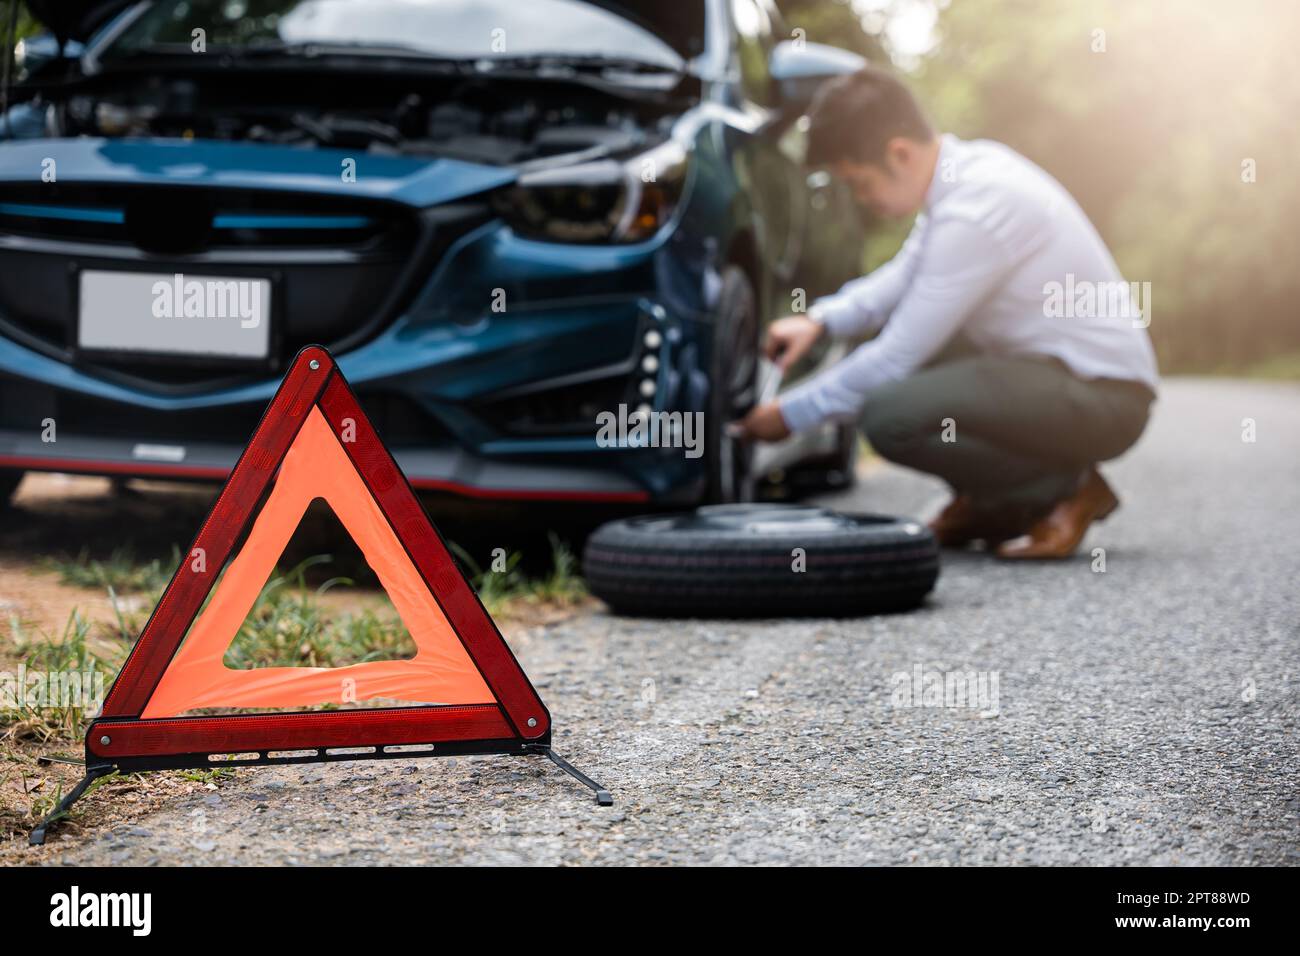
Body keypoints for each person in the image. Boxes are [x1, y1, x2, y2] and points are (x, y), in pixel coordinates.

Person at [733, 66, 1158, 559]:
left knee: (889, 416)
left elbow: (897, 357)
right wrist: (819, 320)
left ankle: (1067, 490)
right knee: (906, 359)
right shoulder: (961, 182)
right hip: (1051, 377)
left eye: (859, 183)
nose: (861, 200)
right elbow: (902, 278)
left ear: (899, 153)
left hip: (1104, 396)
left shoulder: (978, 208)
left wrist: (788, 416)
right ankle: (993, 502)